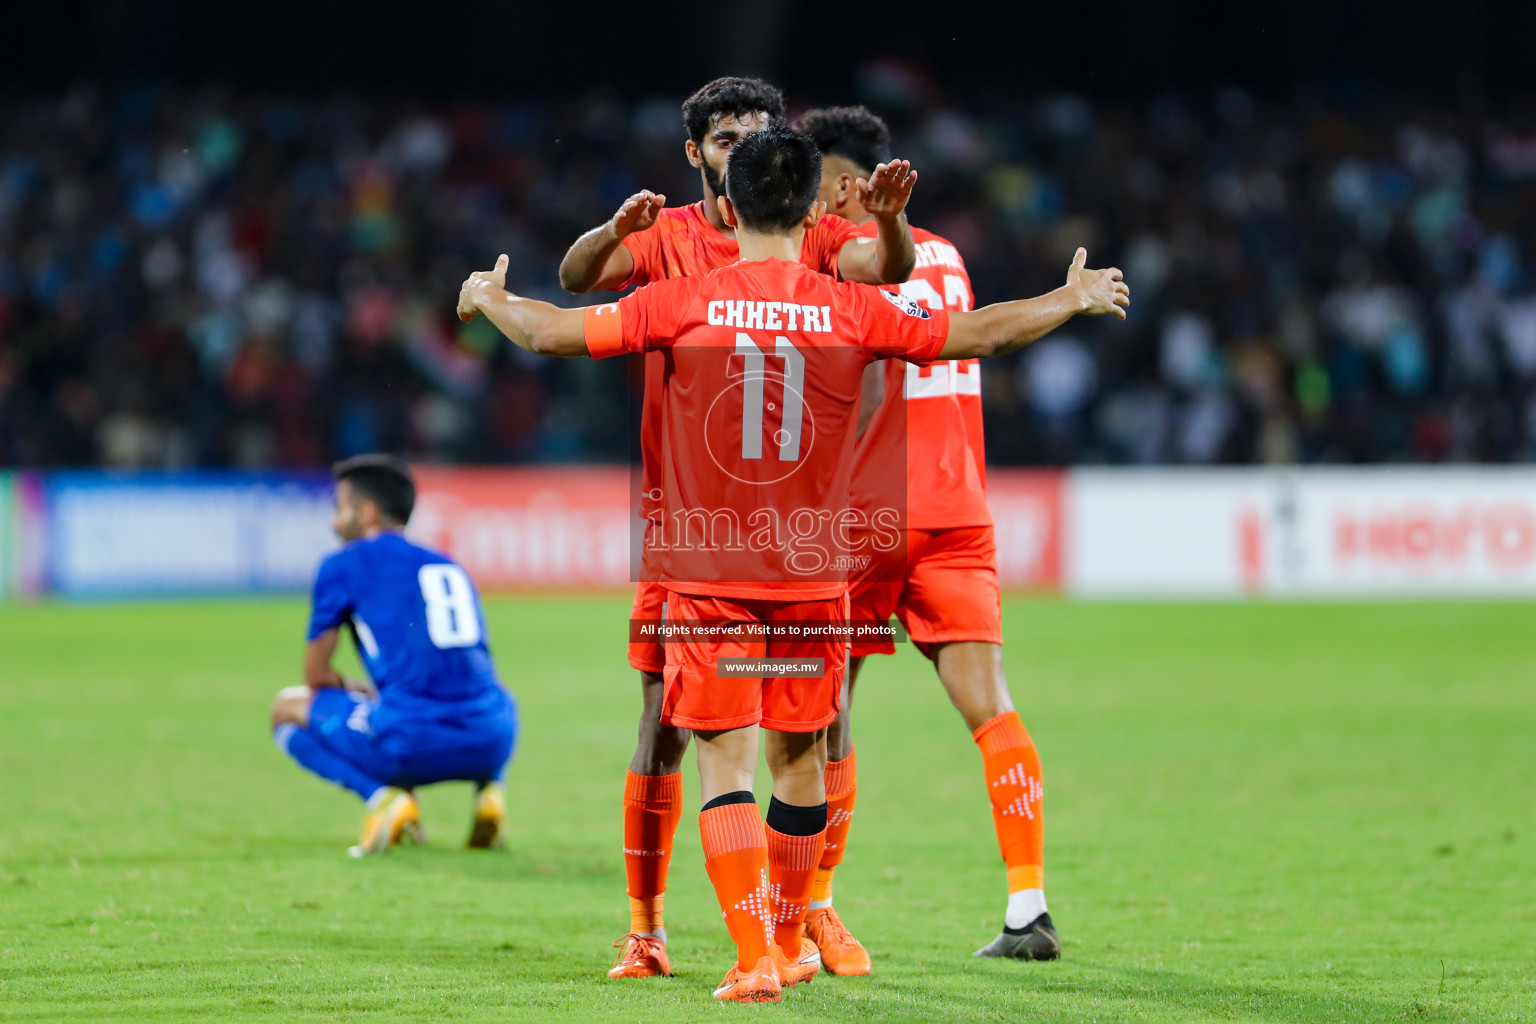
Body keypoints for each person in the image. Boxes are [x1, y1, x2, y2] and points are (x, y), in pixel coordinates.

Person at [458, 124, 1127, 1001]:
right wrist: (1067, 298)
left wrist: (490, 298)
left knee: (725, 765)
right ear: (812, 209)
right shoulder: (850, 306)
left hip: (711, 577)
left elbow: (551, 332)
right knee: (801, 763)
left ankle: (752, 961)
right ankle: (791, 933)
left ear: (728, 205)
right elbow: (981, 335)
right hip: (814, 577)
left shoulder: (688, 298)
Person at [556, 75, 918, 981]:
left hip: (794, 535)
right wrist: (613, 232)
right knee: (662, 725)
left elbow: (888, 273)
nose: (743, 147)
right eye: (726, 138)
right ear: (697, 153)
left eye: (759, 133)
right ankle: (647, 926)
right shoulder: (669, 236)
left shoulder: (816, 234)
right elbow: (573, 282)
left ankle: (808, 918)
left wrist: (888, 223)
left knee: (817, 725)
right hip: (686, 530)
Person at [794, 105, 1061, 966]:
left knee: (826, 714)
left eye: (816, 180)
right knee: (993, 709)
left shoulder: (837, 263)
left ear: (843, 185)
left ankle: (817, 907)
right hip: (957, 509)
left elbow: (855, 386)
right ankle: (1029, 906)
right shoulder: (945, 255)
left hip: (865, 515)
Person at [269, 455, 518, 857]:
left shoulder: (342, 564)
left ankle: (384, 800)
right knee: (475, 695)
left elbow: (315, 673)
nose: (334, 522)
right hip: (493, 737)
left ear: (366, 513)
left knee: (285, 708)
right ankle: (491, 793)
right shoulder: (448, 564)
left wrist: (350, 687)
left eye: (339, 509)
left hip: (413, 744)